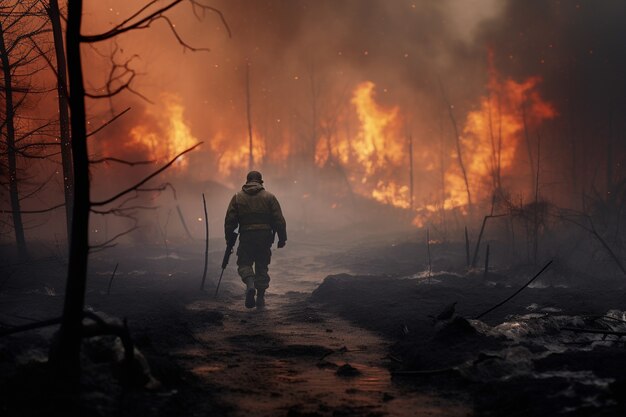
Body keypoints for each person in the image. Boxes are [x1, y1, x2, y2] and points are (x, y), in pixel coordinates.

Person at [224, 171, 287, 309]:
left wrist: (229, 240)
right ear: (260, 182)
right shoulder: (269, 197)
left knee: (244, 263)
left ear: (247, 181)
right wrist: (282, 238)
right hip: (265, 237)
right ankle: (260, 298)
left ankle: (250, 285)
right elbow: (279, 220)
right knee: (262, 265)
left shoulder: (237, 198)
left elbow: (230, 221)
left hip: (246, 236)